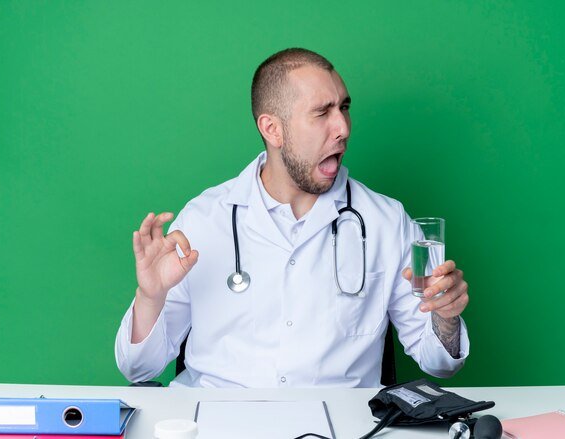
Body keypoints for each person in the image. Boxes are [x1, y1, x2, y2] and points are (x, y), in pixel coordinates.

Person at [115, 48, 470, 387]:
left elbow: (439, 362)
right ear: (272, 129)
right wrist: (151, 297)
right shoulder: (204, 219)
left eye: (344, 108)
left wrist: (446, 316)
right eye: (322, 112)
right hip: (217, 420)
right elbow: (138, 369)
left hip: (341, 426)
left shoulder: (385, 221)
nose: (343, 127)